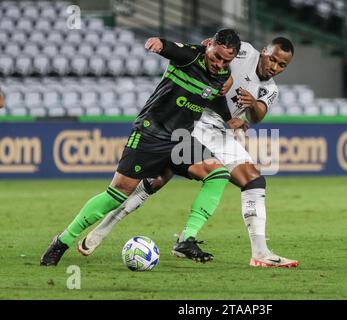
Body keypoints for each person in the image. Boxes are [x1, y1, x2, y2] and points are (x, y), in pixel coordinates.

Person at [79, 37, 299, 268]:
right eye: (272, 59)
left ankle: (260, 252)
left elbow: (257, 116)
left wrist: (252, 104)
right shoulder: (243, 51)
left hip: (219, 130)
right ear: (264, 51)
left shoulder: (271, 89)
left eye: (281, 65)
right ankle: (103, 231)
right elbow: (210, 49)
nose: (274, 67)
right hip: (193, 117)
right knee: (156, 180)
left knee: (253, 180)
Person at [40, 29, 241, 266]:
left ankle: (187, 239)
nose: (218, 63)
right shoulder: (190, 56)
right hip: (150, 133)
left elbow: (213, 95)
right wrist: (159, 43)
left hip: (180, 138)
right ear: (209, 45)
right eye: (215, 56)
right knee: (116, 195)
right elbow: (171, 47)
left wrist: (229, 119)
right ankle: (62, 241)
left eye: (225, 60)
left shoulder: (223, 75)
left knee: (218, 174)